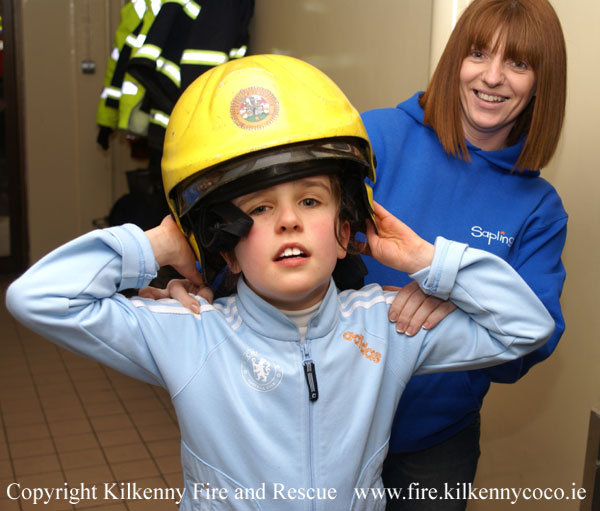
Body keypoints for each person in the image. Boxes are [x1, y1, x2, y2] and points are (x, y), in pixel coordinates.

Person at [5, 55, 554, 510]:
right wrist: (158, 245)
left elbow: (525, 327)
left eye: (310, 201)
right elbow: (36, 297)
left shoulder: (386, 329)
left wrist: (427, 260)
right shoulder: (190, 334)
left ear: (345, 233)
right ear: (228, 249)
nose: (288, 221)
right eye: (260, 209)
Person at [359, 0, 568, 509]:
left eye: (518, 63)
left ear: (542, 82)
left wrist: (460, 294)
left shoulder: (539, 208)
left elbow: (533, 341)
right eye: (478, 54)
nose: (493, 77)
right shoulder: (375, 137)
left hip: (437, 443)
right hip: (328, 418)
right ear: (456, 59)